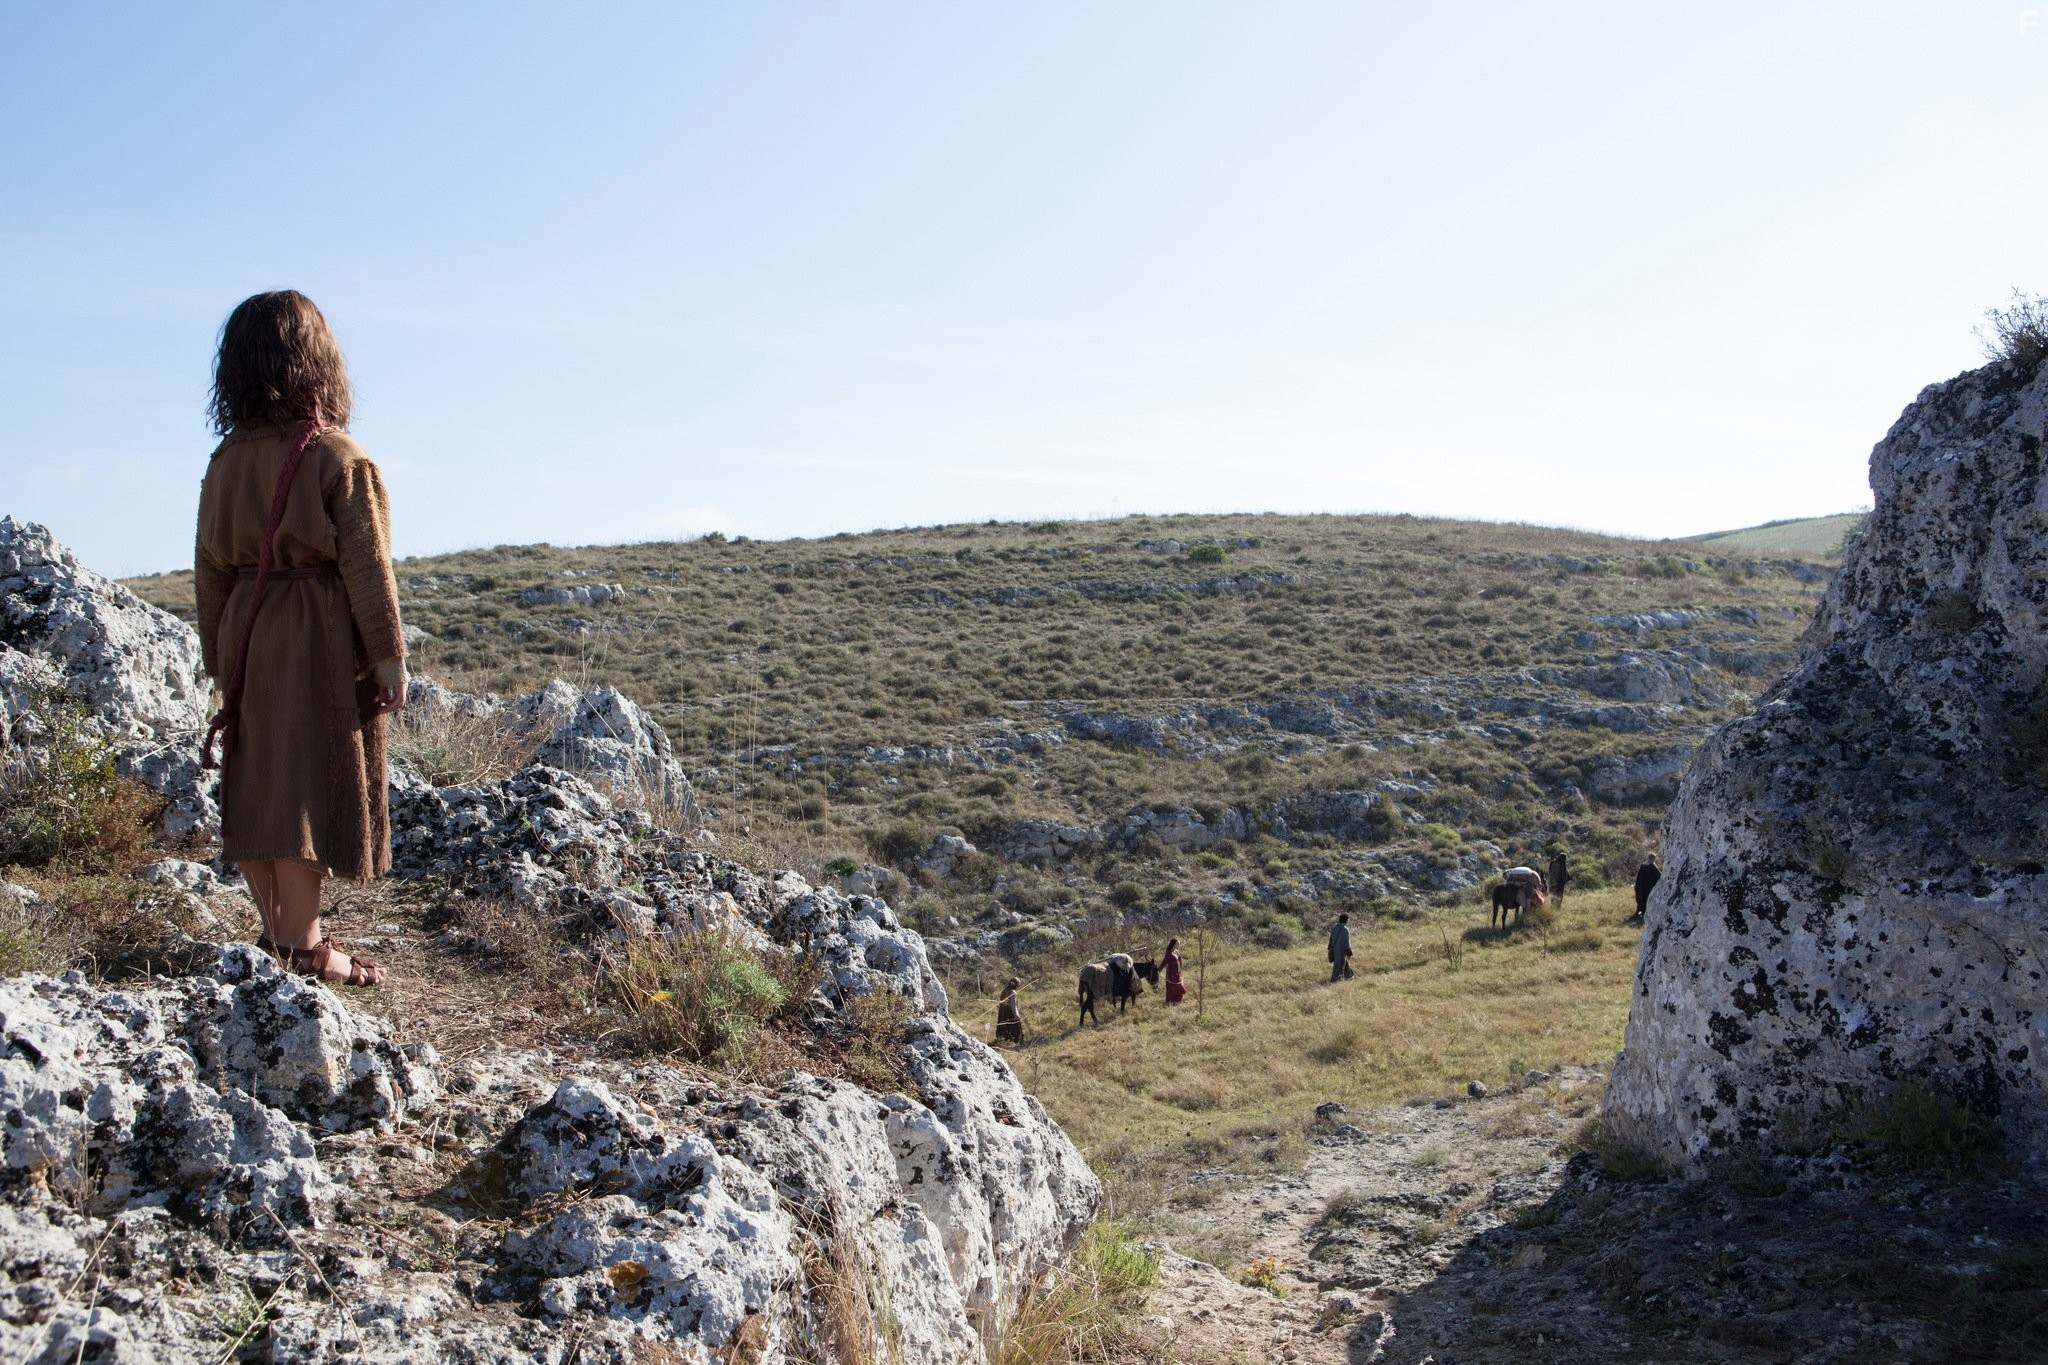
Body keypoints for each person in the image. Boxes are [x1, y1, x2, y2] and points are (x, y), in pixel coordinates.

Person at [195, 291, 406, 987]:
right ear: (317, 361)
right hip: (313, 630)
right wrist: (388, 658)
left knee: (258, 777)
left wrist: (220, 661)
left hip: (245, 628)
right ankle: (303, 944)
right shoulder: (336, 455)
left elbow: (210, 571)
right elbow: (368, 568)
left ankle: (277, 931)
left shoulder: (224, 462)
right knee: (306, 780)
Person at [1633, 854, 1662, 922]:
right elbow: (1659, 876)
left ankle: (1639, 913)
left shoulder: (1643, 866)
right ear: (1653, 858)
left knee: (1641, 899)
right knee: (1647, 900)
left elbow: (1639, 877)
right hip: (1648, 888)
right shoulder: (1652, 866)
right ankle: (1646, 914)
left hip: (1641, 887)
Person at [995, 977, 1024, 1044]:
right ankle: (1015, 1040)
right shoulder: (1013, 992)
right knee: (1014, 1027)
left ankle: (1003, 1039)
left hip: (1003, 1013)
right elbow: (1013, 1005)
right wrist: (1016, 1015)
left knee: (1004, 1026)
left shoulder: (1004, 990)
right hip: (1010, 1013)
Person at [1327, 912, 1353, 982]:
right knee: (1340, 968)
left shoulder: (1334, 927)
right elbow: (1347, 944)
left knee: (1338, 966)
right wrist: (1349, 953)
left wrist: (1330, 949)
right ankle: (1336, 981)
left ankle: (1348, 978)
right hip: (1342, 952)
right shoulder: (1345, 930)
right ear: (1346, 920)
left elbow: (1331, 939)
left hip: (1334, 950)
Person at [1161, 937, 1187, 1004]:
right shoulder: (1168, 953)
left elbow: (1180, 961)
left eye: (1179, 944)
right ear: (1174, 944)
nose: (1179, 945)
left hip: (1177, 973)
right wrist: (1158, 970)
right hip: (1171, 974)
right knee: (1173, 988)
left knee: (1179, 987)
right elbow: (1164, 962)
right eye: (1177, 944)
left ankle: (1178, 1002)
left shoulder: (1176, 952)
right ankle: (1171, 1002)